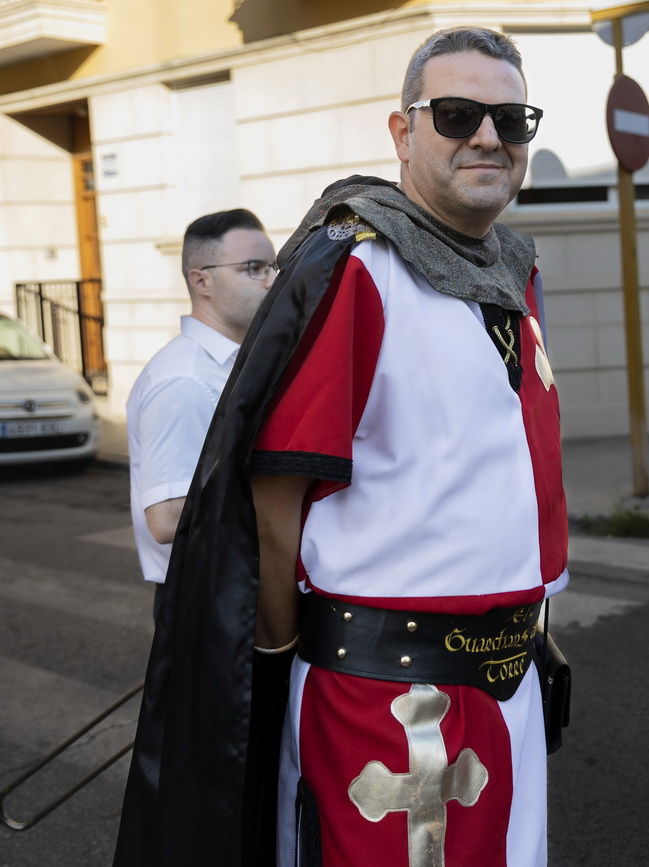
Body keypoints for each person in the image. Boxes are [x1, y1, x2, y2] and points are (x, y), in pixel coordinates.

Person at [115, 26, 567, 867]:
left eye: (510, 120)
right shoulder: (362, 267)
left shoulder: (513, 270)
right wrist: (278, 653)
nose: (487, 137)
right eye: (457, 114)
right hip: (388, 700)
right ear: (403, 132)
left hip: (512, 685)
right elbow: (276, 492)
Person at [126, 208, 275, 616]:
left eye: (272, 267)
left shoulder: (230, 366)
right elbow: (168, 518)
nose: (271, 281)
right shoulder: (186, 379)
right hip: (209, 599)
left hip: (234, 588)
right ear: (201, 280)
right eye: (253, 268)